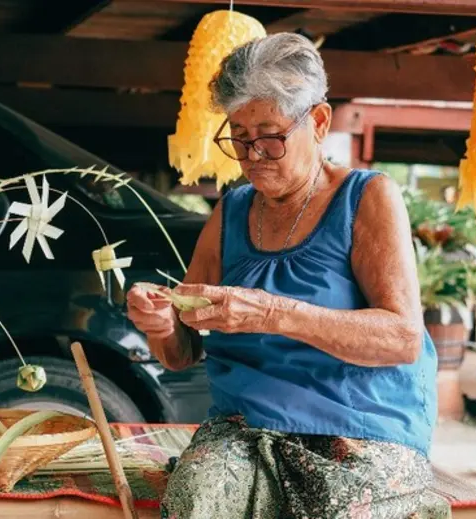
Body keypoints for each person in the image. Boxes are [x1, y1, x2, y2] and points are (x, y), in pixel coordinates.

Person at [126, 33, 450, 519]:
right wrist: (161, 324)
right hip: (245, 429)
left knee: (339, 507)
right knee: (198, 497)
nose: (252, 154)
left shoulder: (367, 198)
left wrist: (273, 312)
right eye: (238, 135)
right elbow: (182, 353)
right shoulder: (231, 212)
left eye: (270, 135)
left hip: (357, 427)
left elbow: (402, 338)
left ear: (318, 122)